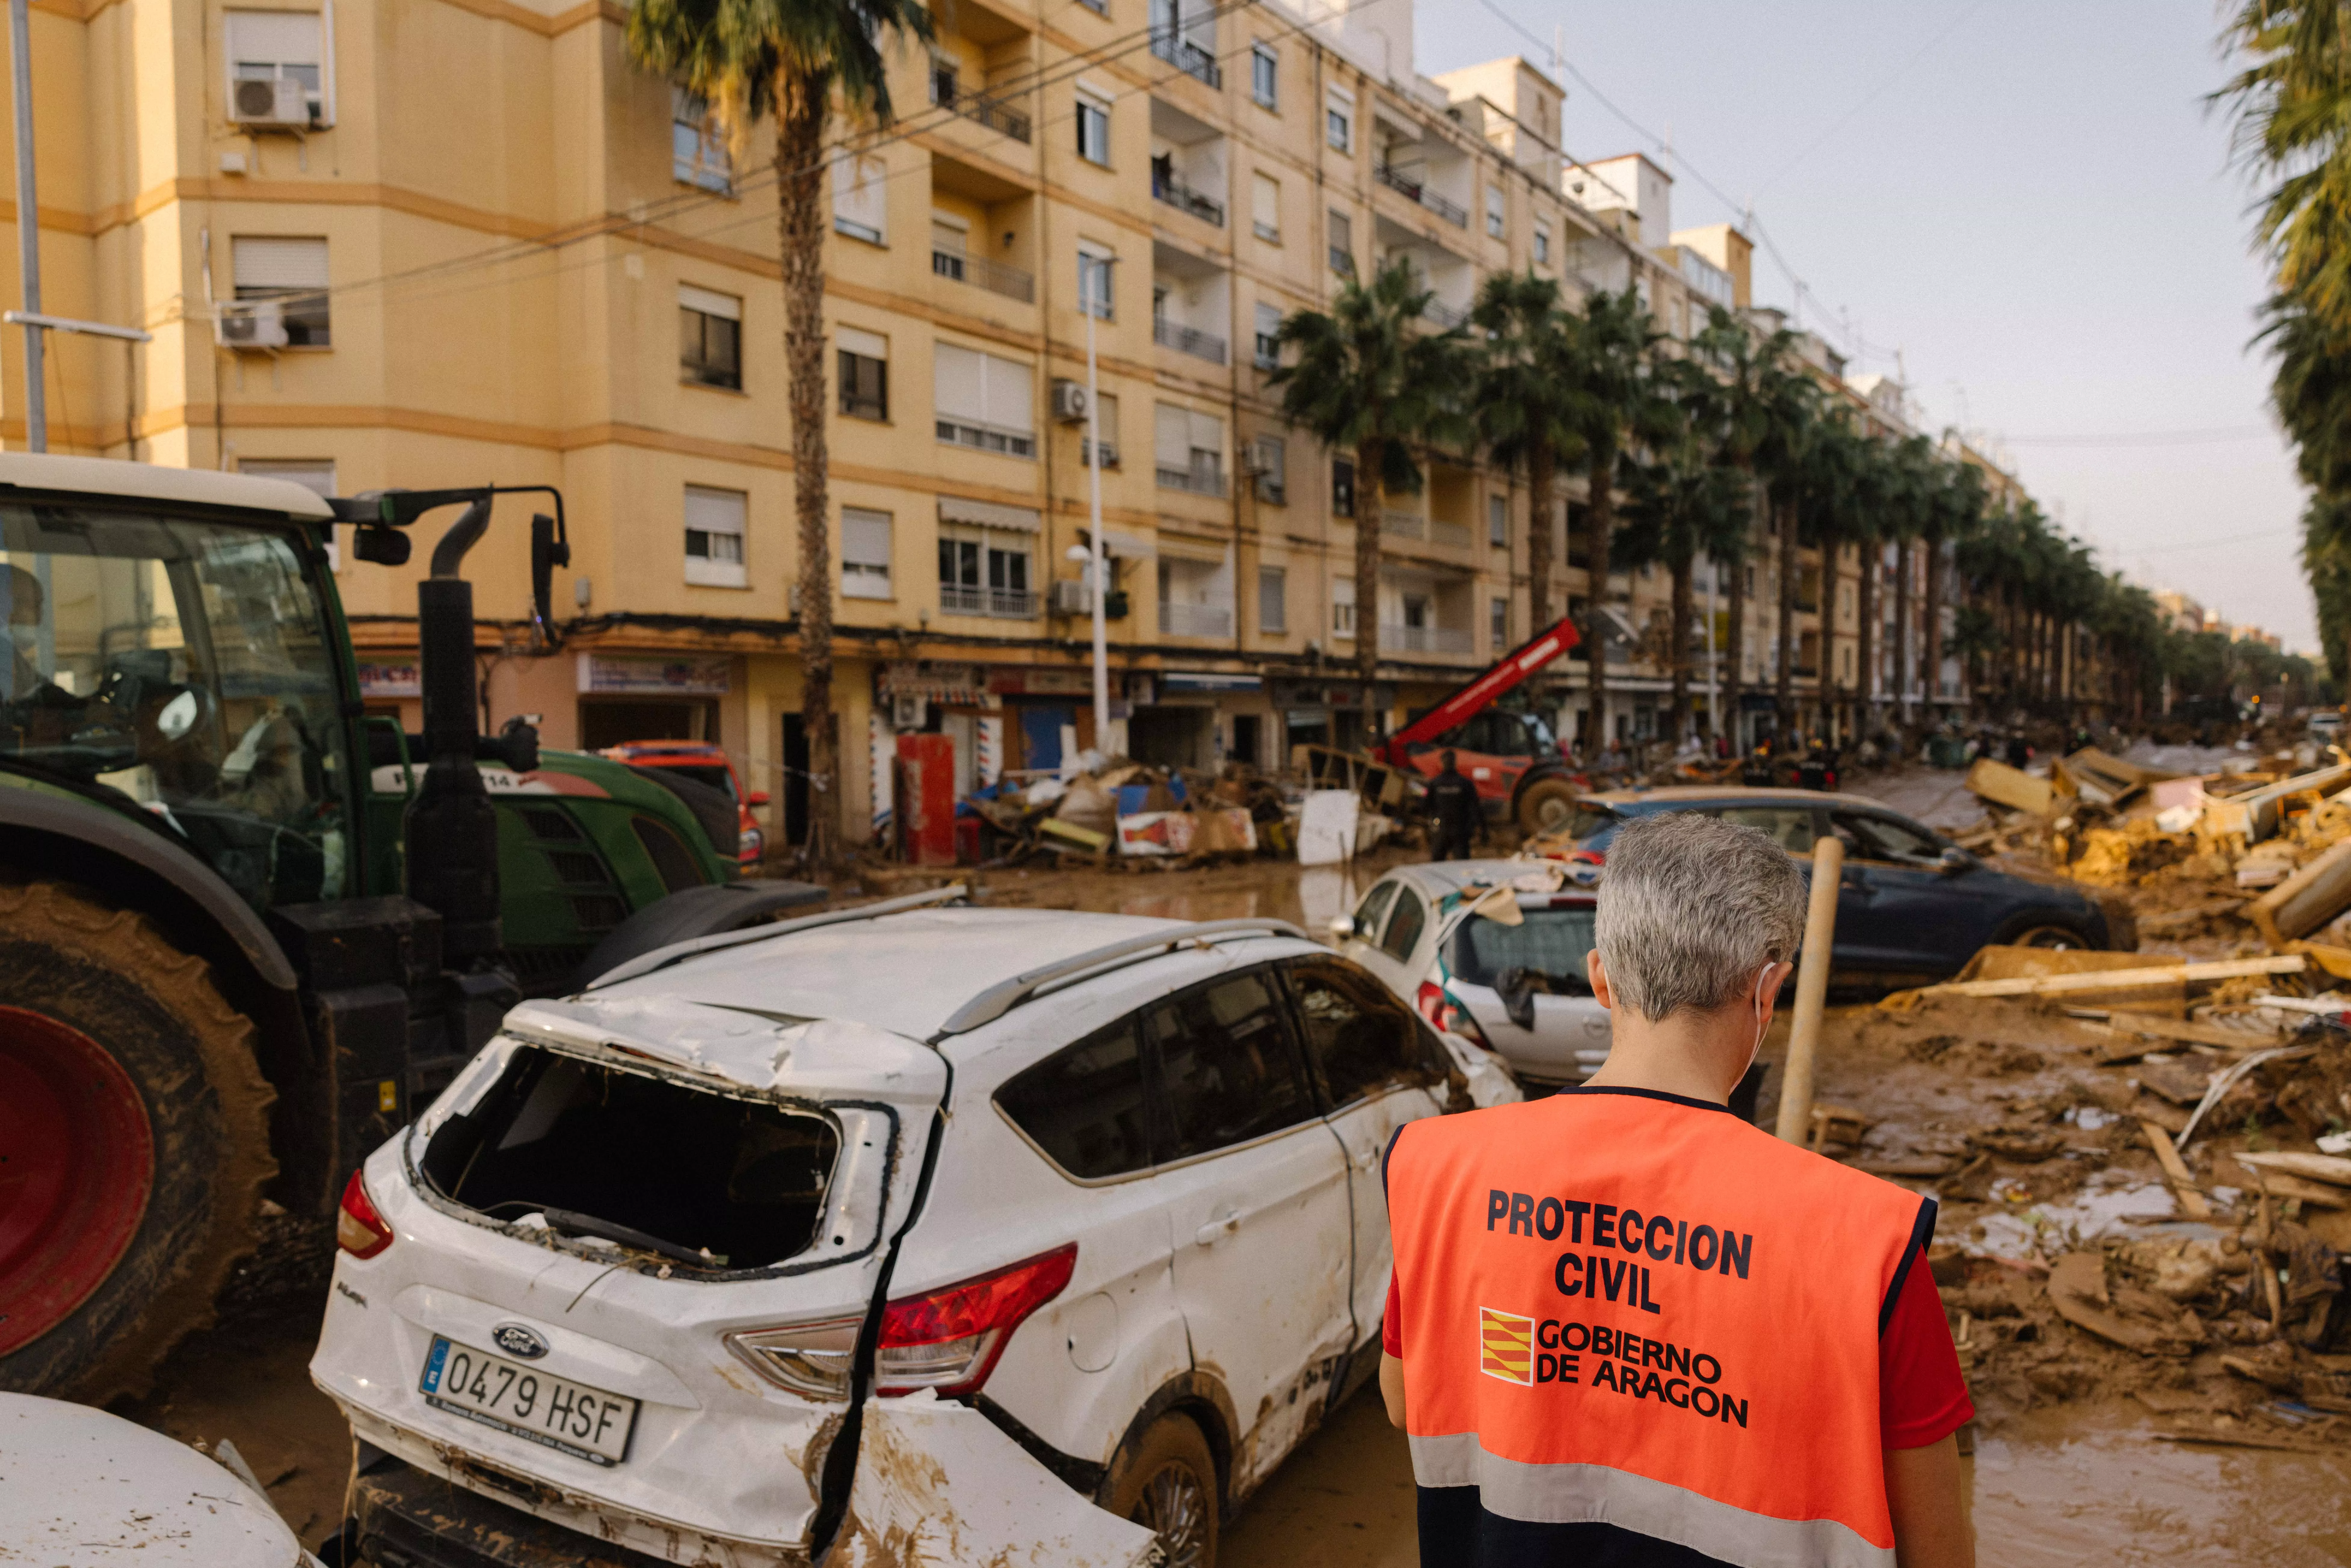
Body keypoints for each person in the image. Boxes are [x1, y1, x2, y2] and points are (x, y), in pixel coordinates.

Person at [1379, 811, 1974, 1568]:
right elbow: (1939, 1550)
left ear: (1600, 977)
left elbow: (1407, 1399)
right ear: (1767, 990)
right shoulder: (1869, 1242)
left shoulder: (1440, 1169)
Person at [1426, 749, 1481, 862]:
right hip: (1460, 830)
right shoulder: (1466, 784)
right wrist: (1476, 828)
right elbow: (1476, 808)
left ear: (1441, 764)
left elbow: (1425, 805)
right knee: (1462, 868)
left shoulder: (1434, 784)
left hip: (1440, 828)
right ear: (1455, 763)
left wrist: (1434, 821)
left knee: (1437, 867)